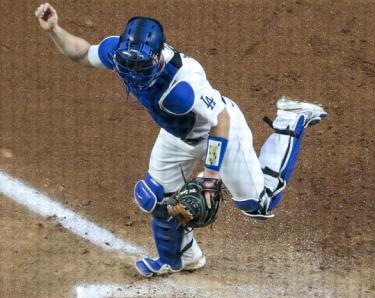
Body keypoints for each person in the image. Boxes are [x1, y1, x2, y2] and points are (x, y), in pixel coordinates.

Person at [35, 5, 327, 276]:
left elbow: (220, 120)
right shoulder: (123, 53)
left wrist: (211, 176)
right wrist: (55, 30)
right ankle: (181, 258)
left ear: (158, 56)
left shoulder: (183, 86)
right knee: (154, 196)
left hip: (220, 130)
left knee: (258, 205)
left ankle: (291, 119)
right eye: (129, 70)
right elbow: (83, 53)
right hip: (178, 134)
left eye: (141, 71)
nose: (135, 79)